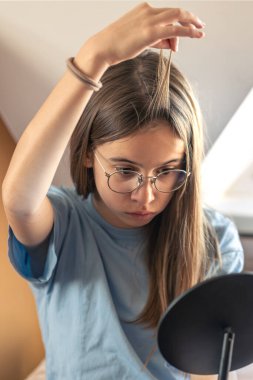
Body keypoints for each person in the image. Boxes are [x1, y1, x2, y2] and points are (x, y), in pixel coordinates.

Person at [2, 2, 243, 380]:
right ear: (87, 156)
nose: (146, 197)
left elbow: (206, 370)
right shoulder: (62, 226)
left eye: (166, 172)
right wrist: (94, 56)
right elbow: (18, 199)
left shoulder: (214, 237)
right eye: (126, 171)